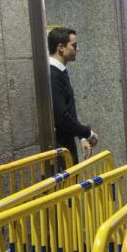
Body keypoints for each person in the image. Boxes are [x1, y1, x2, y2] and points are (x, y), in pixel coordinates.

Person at [49, 27, 97, 164]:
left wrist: (81, 137)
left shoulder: (60, 72)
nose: (78, 49)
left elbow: (69, 109)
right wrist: (87, 133)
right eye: (74, 45)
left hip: (67, 147)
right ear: (61, 48)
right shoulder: (53, 75)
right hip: (60, 151)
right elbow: (61, 116)